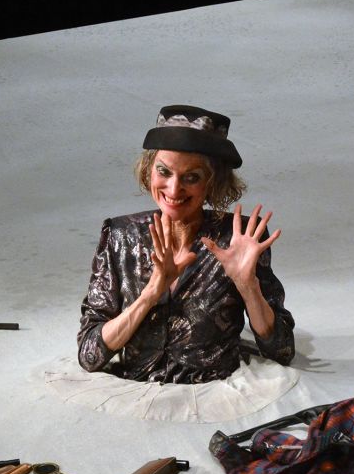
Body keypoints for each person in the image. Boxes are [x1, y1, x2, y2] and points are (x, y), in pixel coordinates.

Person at [77, 105, 295, 385]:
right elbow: (89, 355)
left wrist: (247, 286)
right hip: (135, 390)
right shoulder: (120, 236)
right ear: (148, 170)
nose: (174, 189)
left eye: (192, 177)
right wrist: (151, 293)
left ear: (212, 183)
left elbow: (282, 350)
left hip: (216, 391)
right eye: (163, 171)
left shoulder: (238, 240)